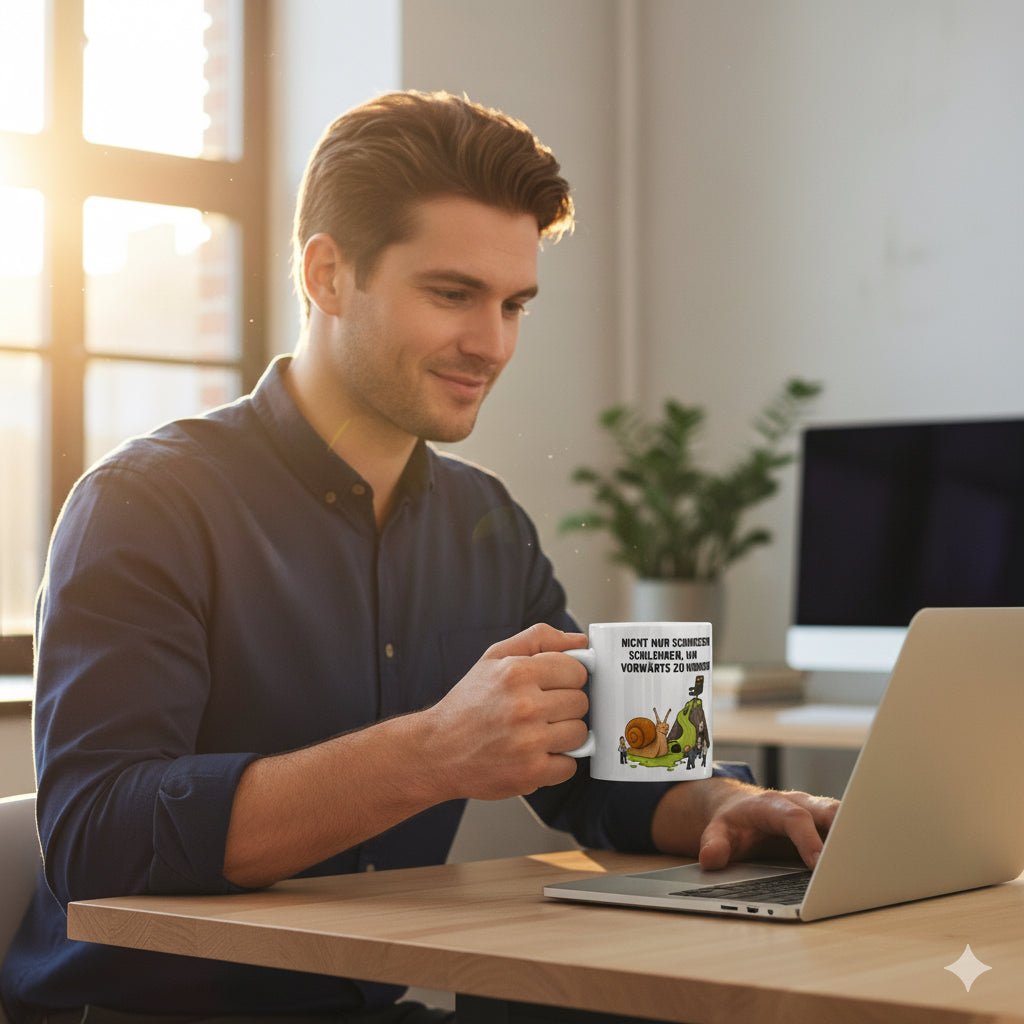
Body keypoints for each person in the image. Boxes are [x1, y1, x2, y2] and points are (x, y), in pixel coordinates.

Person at [1, 90, 837, 1024]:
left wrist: (724, 804)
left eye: (513, 303)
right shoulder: (145, 504)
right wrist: (434, 752)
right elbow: (95, 839)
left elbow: (599, 765)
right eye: (452, 294)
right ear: (327, 276)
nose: (492, 343)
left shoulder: (487, 521)